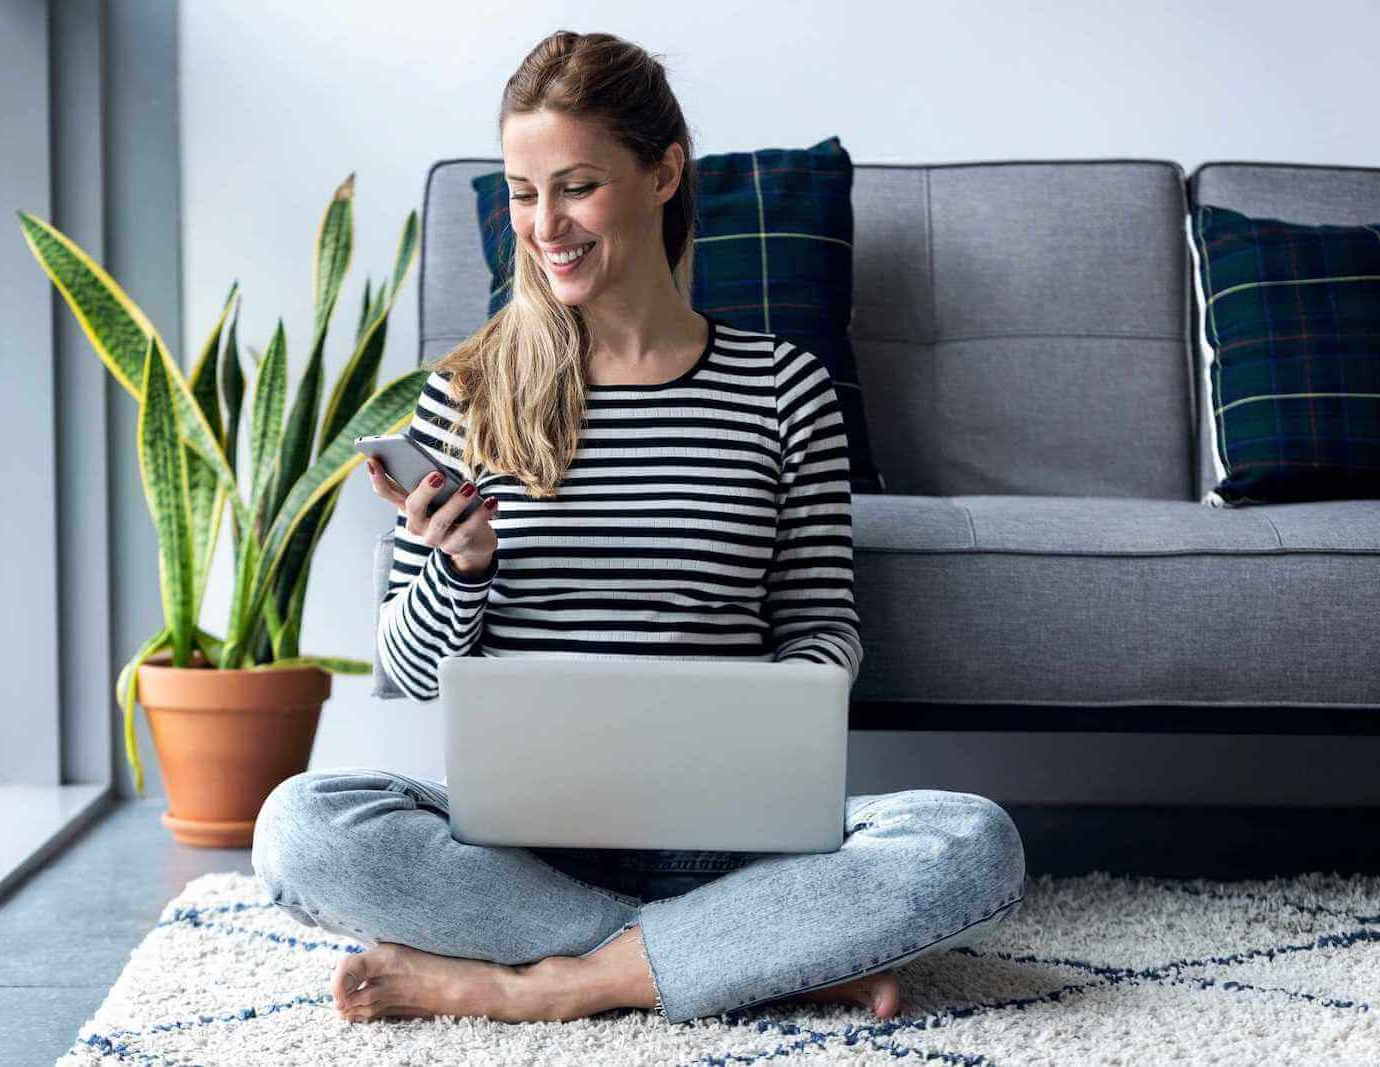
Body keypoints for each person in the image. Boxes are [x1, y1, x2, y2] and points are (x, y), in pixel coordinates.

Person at [251, 29, 1026, 1028]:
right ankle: (748, 951)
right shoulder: (467, 393)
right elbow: (401, 669)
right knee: (300, 827)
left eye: (575, 186)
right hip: (517, 845)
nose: (544, 226)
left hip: (733, 834)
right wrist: (459, 570)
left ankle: (546, 981)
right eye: (523, 194)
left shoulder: (783, 390)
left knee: (973, 839)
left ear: (663, 173)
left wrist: (779, 708)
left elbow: (822, 627)